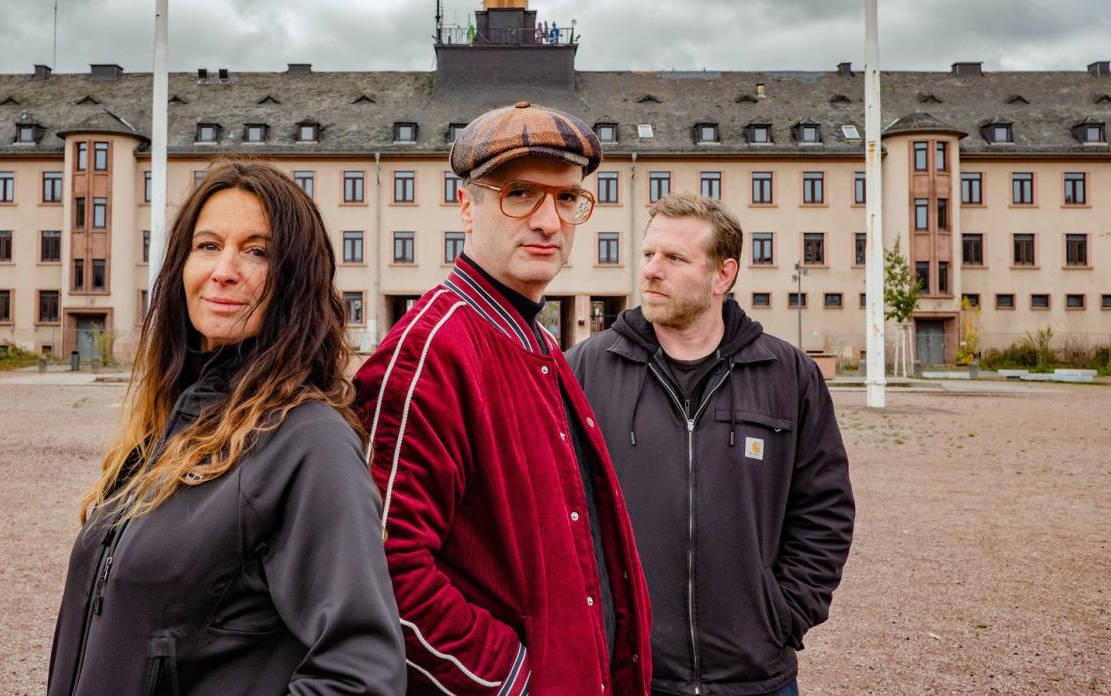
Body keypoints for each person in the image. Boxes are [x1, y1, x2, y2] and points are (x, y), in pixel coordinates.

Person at [48, 161, 406, 696]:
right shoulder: (165, 427)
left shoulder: (309, 441)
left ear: (295, 279)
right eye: (208, 245)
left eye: (257, 251)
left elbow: (360, 677)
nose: (224, 269)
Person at [353, 102, 652, 696]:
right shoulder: (431, 351)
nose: (549, 221)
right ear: (467, 205)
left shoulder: (535, 340)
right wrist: (512, 678)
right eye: (520, 193)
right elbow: (382, 570)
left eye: (567, 199)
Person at [567, 192, 855, 696]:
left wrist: (783, 613)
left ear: (724, 274)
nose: (652, 271)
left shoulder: (787, 375)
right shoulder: (585, 370)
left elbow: (825, 508)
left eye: (675, 258)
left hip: (755, 674)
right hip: (630, 673)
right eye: (649, 254)